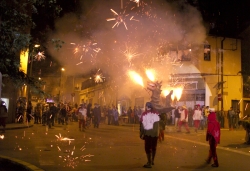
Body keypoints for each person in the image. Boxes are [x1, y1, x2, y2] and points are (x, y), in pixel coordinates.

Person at [140, 102, 159, 168]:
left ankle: (149, 163)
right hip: (155, 134)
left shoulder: (144, 114)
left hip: (148, 133)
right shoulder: (157, 113)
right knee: (154, 147)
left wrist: (141, 134)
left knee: (148, 148)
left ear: (147, 107)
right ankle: (152, 160)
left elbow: (142, 125)